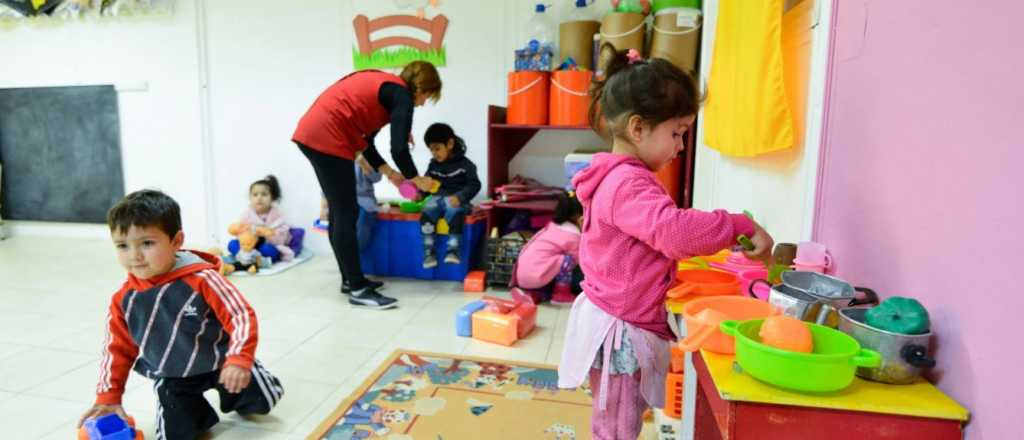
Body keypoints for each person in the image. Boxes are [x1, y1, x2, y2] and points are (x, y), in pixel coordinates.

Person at [557, 47, 774, 439]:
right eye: (676, 133)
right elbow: (672, 231)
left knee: (616, 422)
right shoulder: (628, 183)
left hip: (614, 317)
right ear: (638, 128)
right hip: (619, 328)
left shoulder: (618, 177)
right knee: (617, 429)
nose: (680, 146)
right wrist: (739, 223)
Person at [79, 190, 283, 440]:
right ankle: (197, 413)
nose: (135, 255)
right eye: (123, 245)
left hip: (223, 362)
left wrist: (240, 359)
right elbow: (116, 349)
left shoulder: (203, 279)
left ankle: (250, 377)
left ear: (176, 241)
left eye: (147, 243)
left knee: (262, 403)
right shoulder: (123, 300)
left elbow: (240, 315)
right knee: (176, 435)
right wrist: (108, 396)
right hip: (173, 374)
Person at [293, 61, 441, 309]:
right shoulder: (401, 93)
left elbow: (367, 144)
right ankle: (358, 288)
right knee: (347, 212)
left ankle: (350, 281)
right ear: (419, 88)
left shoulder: (386, 90)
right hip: (327, 135)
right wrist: (415, 178)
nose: (423, 102)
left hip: (316, 131)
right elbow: (399, 149)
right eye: (426, 95)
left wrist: (392, 175)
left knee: (342, 212)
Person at [419, 123, 480, 268]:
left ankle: (453, 250)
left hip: (457, 201)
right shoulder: (433, 165)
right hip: (437, 199)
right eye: (431, 150)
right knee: (427, 210)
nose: (434, 153)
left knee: (454, 210)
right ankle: (429, 252)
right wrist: (420, 193)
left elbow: (474, 185)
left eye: (438, 148)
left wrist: (460, 197)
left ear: (450, 144)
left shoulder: (466, 165)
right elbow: (428, 184)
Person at [511, 191, 584, 305]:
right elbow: (579, 261)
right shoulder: (573, 235)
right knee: (568, 262)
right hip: (536, 274)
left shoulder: (554, 226)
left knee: (551, 275)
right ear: (578, 216)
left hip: (523, 276)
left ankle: (533, 295)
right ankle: (561, 294)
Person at [227, 175, 293, 263]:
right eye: (255, 195)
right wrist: (246, 231)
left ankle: (257, 260)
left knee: (267, 250)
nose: (259, 198)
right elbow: (241, 233)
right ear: (250, 198)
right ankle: (246, 258)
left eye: (264, 194)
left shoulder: (277, 215)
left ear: (272, 198)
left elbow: (283, 236)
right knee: (232, 244)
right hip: (249, 246)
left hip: (267, 245)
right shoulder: (247, 214)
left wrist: (270, 233)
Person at [355, 154, 382, 252]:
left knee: (362, 218)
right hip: (342, 200)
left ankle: (357, 254)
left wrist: (364, 164)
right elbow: (328, 180)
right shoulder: (338, 153)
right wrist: (324, 206)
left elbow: (376, 178)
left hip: (364, 202)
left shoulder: (369, 154)